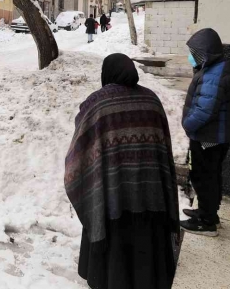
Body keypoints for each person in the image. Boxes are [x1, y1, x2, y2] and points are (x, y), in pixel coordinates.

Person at [65, 54, 181, 289]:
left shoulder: (98, 104)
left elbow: (80, 150)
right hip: (151, 196)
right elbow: (164, 150)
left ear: (106, 74)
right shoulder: (152, 100)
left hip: (110, 200)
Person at [180, 28, 230, 237]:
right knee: (208, 176)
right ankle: (207, 213)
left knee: (205, 177)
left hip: (209, 138)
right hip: (211, 136)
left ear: (206, 53)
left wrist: (188, 124)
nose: (191, 57)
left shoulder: (214, 74)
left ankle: (207, 222)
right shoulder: (215, 69)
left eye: (194, 53)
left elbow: (205, 110)